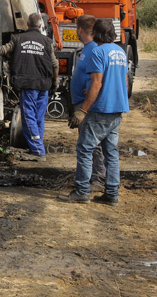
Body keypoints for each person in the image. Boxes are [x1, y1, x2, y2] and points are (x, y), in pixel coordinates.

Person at [59, 18, 130, 206]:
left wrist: (82, 110)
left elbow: (97, 83)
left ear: (96, 33)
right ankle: (112, 194)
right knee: (111, 152)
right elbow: (124, 82)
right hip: (117, 109)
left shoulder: (97, 52)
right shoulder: (120, 52)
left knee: (85, 148)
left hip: (100, 109)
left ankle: (82, 191)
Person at [0, 12, 58, 161]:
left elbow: (2, 50)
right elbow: (55, 65)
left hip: (28, 84)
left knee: (29, 117)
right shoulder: (47, 42)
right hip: (44, 84)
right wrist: (54, 83)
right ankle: (36, 146)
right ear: (40, 26)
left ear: (28, 24)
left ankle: (38, 151)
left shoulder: (18, 39)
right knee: (39, 118)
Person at [69, 15, 106, 191]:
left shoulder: (94, 49)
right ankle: (90, 176)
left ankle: (98, 179)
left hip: (86, 105)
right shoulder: (87, 49)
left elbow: (100, 76)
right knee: (86, 142)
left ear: (80, 30)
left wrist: (90, 91)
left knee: (92, 143)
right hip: (80, 102)